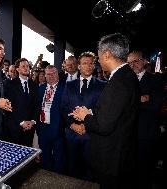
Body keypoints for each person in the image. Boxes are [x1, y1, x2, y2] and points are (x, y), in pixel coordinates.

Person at [71, 33, 140, 189]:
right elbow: (115, 114)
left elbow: (103, 126)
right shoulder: (127, 76)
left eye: (98, 56)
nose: (98, 61)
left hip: (112, 157)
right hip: (121, 152)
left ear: (107, 54)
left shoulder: (118, 82)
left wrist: (85, 116)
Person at [61, 51, 106, 180]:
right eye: (84, 63)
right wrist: (72, 124)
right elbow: (63, 108)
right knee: (72, 168)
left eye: (91, 63)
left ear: (94, 66)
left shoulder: (102, 85)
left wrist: (88, 125)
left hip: (91, 135)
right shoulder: (69, 85)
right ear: (79, 66)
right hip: (72, 134)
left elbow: (102, 110)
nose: (88, 66)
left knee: (90, 170)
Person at [128, 51, 164, 189]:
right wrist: (141, 99)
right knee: (129, 171)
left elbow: (154, 106)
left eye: (136, 61)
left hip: (146, 134)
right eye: (130, 63)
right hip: (128, 134)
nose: (133, 65)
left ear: (143, 61)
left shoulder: (155, 80)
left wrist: (132, 101)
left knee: (144, 172)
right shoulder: (126, 80)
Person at [36, 65, 66, 174]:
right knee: (45, 160)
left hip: (58, 130)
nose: (51, 76)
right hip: (43, 130)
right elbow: (36, 109)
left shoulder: (65, 88)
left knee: (59, 161)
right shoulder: (40, 89)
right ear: (45, 76)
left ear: (57, 75)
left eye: (53, 73)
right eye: (48, 74)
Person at [4, 58, 38, 146]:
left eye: (27, 66)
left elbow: (36, 106)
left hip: (30, 129)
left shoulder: (34, 85)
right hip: (15, 128)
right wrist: (22, 122)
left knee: (28, 156)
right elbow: (8, 106)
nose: (26, 68)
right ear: (18, 69)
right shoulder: (10, 85)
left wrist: (33, 121)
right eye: (23, 66)